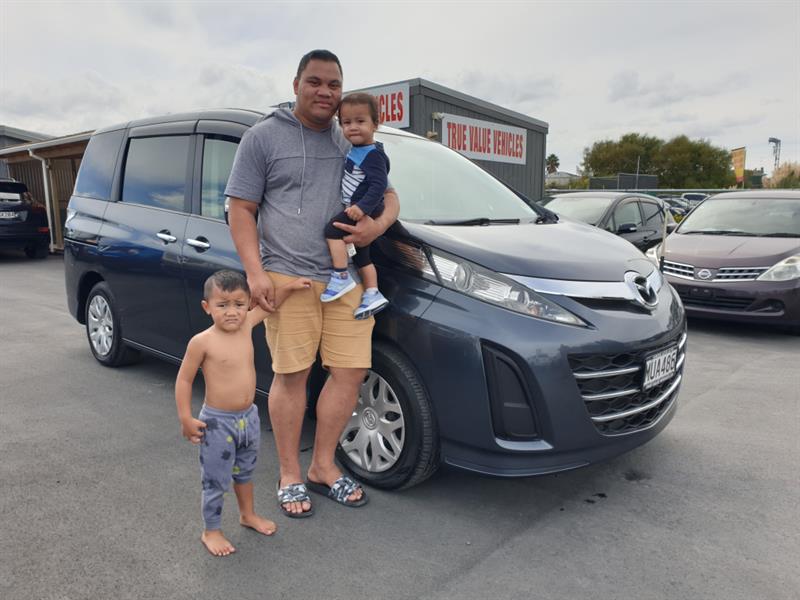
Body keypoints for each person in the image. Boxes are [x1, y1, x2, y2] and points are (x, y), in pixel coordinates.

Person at [225, 49, 400, 518]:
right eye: (315, 82)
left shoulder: (352, 136)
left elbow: (389, 196)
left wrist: (376, 227)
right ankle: (289, 474)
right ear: (296, 84)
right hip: (289, 275)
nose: (325, 92)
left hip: (347, 282)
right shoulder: (263, 137)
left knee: (350, 373)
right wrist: (255, 273)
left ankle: (323, 466)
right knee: (292, 375)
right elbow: (241, 209)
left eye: (334, 84)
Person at [175, 269, 311, 556]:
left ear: (247, 304)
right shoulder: (202, 342)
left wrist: (290, 288)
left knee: (245, 473)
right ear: (207, 307)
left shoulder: (247, 323)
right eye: (222, 305)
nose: (232, 312)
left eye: (238, 304)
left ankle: (247, 515)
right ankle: (211, 530)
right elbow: (184, 380)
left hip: (248, 419)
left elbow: (269, 305)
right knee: (215, 480)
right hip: (217, 423)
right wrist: (186, 417)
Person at [321, 92, 390, 320]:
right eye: (346, 122)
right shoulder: (358, 149)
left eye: (360, 121)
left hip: (363, 208)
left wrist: (362, 208)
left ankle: (341, 276)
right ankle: (372, 293)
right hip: (360, 206)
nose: (353, 127)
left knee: (332, 231)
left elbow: (379, 185)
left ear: (375, 124)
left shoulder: (373, 155)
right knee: (362, 256)